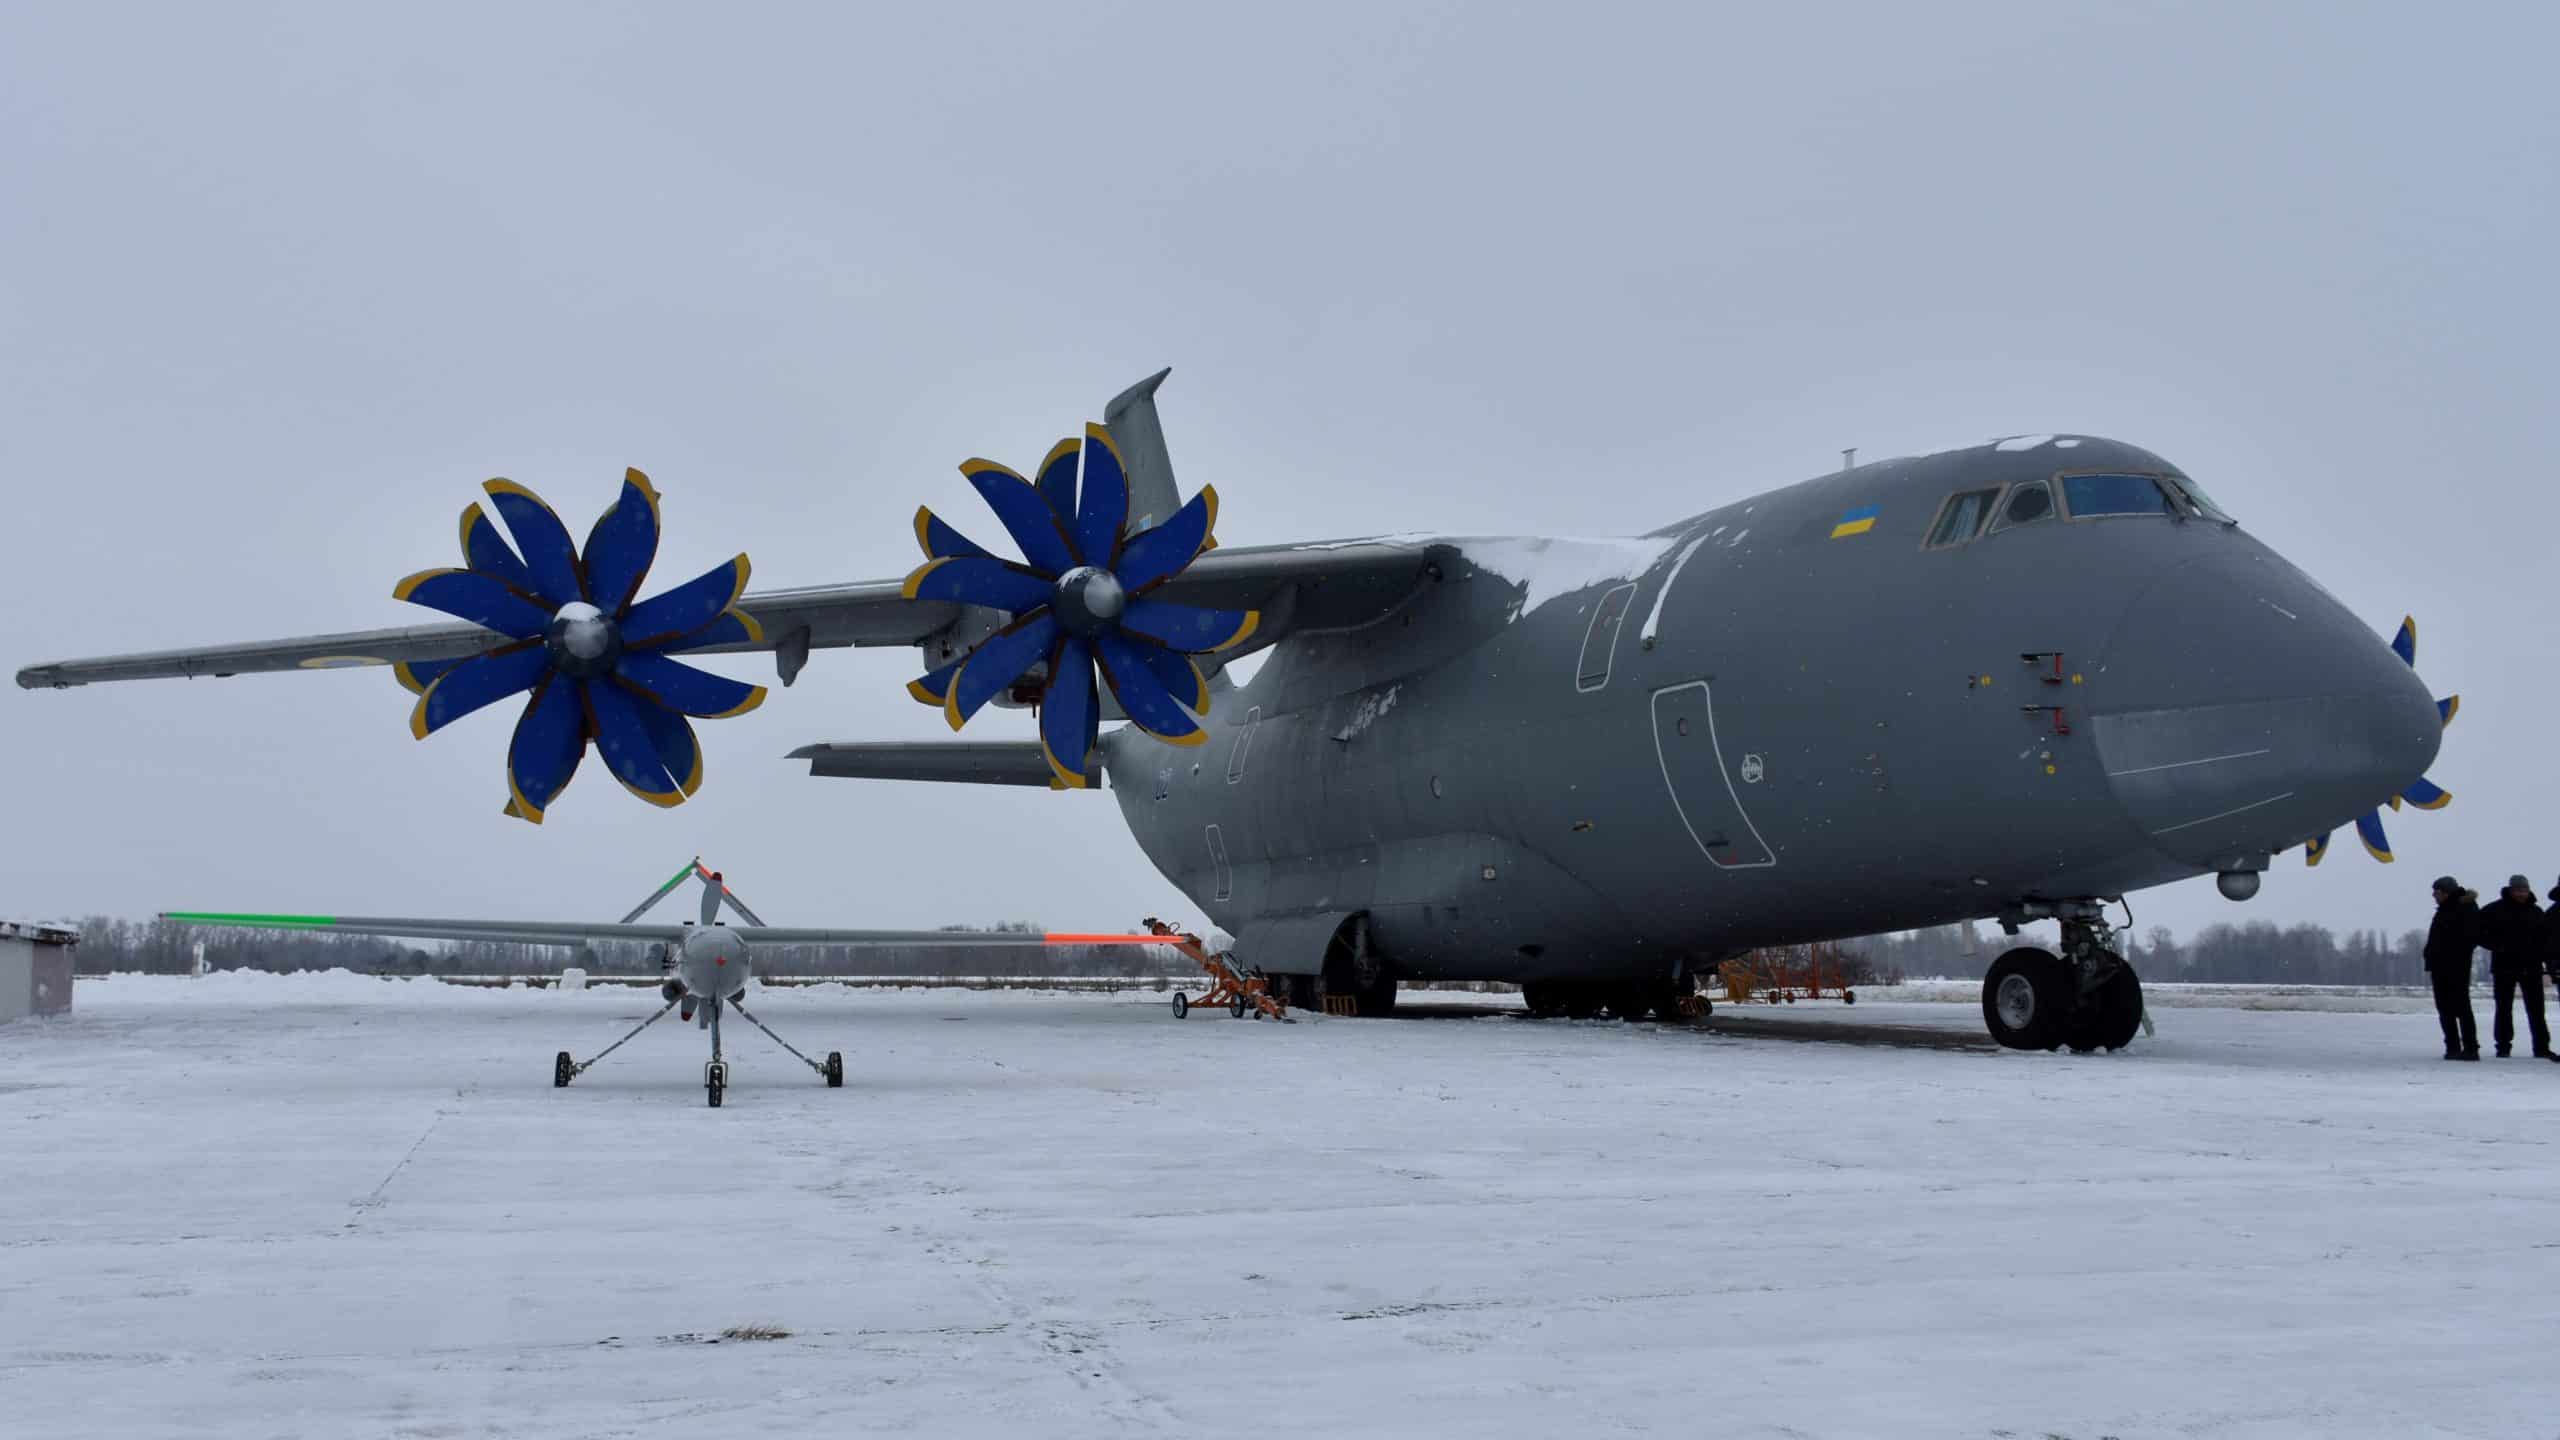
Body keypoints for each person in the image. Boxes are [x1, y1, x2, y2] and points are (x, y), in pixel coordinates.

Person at [2473, 874, 2553, 1060]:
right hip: (2504, 966)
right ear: (2510, 890)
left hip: (2531, 967)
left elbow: (2546, 939)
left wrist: (2544, 961)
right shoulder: (2494, 910)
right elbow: (2477, 931)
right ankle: (2503, 1046)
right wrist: (2497, 946)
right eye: (2518, 890)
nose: (2522, 894)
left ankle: (2541, 1047)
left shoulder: (2536, 912)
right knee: (2503, 1008)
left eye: (2525, 890)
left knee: (2536, 1009)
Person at [2423, 877, 2480, 1060]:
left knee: (2461, 1007)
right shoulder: (2445, 910)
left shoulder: (2465, 908)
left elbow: (2469, 937)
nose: (2433, 895)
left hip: (2456, 966)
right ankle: (2453, 1047)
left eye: (2436, 892)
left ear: (2446, 892)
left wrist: (2450, 955)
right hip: (2440, 967)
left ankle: (2470, 1048)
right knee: (2445, 1008)